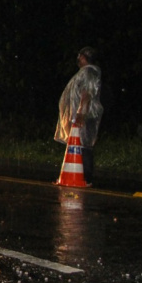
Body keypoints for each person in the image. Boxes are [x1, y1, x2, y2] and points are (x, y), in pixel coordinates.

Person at [54, 46, 103, 185]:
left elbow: (86, 93)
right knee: (80, 145)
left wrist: (81, 113)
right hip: (80, 116)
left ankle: (85, 178)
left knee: (84, 145)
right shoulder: (85, 72)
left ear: (83, 57)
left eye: (79, 56)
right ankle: (78, 176)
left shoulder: (88, 72)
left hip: (85, 116)